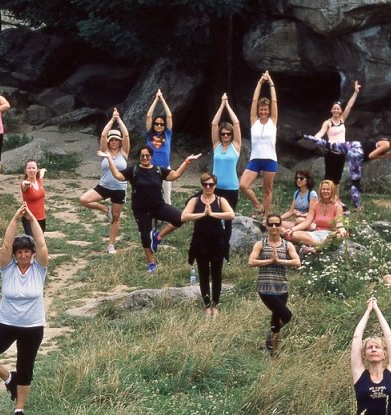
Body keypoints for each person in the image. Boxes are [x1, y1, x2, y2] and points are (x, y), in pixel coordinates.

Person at [0, 203, 48, 415]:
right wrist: (14, 220)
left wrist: (32, 220)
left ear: (32, 254)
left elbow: (41, 244)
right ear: (14, 255)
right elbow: (5, 245)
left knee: (25, 366)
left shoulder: (40, 268)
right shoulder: (7, 268)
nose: (23, 255)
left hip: (32, 327)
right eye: (19, 252)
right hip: (7, 323)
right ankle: (8, 378)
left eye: (27, 252)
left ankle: (19, 408)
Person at [103, 145, 200, 274]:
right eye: (142, 156)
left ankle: (158, 237)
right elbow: (118, 176)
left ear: (151, 157)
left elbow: (175, 175)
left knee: (180, 218)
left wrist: (186, 162)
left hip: (159, 206)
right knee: (145, 237)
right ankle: (152, 264)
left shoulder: (158, 170)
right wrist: (109, 159)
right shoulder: (134, 170)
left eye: (147, 155)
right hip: (141, 210)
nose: (144, 158)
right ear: (139, 157)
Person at [180, 172, 236, 317]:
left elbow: (231, 214)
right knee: (203, 273)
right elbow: (184, 216)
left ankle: (215, 304)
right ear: (202, 185)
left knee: (217, 273)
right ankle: (207, 305)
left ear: (215, 186)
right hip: (200, 240)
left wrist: (213, 214)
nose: (208, 187)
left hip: (217, 240)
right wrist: (202, 215)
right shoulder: (195, 200)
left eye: (211, 184)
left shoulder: (220, 200)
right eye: (205, 184)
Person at [248, 212, 301, 356]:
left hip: (282, 287)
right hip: (265, 287)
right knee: (287, 315)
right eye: (270, 224)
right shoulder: (261, 244)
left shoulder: (287, 244)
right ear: (266, 226)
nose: (273, 227)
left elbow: (297, 262)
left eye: (277, 224)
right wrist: (269, 261)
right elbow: (251, 261)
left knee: (276, 319)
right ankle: (271, 336)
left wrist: (280, 261)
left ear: (280, 226)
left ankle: (273, 352)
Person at [78, 109, 130, 254]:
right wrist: (112, 120)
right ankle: (105, 209)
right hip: (104, 186)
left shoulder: (124, 153)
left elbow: (126, 135)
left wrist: (119, 120)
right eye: (111, 139)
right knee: (84, 199)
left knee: (116, 217)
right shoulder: (104, 151)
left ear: (119, 142)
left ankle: (111, 245)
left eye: (116, 140)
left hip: (119, 188)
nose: (113, 142)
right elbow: (102, 135)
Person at [350, 297, 391, 415]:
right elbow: (356, 338)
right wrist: (368, 311)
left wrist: (377, 310)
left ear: (385, 354)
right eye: (369, 347)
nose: (373, 349)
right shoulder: (359, 374)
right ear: (364, 355)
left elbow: (389, 337)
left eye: (377, 347)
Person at [304, 80, 361, 186]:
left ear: (340, 111)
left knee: (338, 178)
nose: (336, 110)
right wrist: (314, 138)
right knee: (329, 176)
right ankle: (325, 199)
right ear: (331, 110)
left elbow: (349, 105)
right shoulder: (327, 122)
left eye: (338, 109)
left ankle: (336, 200)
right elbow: (321, 133)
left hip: (342, 153)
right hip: (331, 152)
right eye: (334, 108)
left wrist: (356, 92)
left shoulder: (342, 119)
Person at [239, 71, 279, 215]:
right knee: (243, 185)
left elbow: (274, 102)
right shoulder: (254, 121)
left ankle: (266, 216)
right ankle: (258, 206)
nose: (263, 111)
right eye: (261, 109)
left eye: (265, 110)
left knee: (267, 189)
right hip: (255, 159)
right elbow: (254, 101)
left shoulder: (272, 122)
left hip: (270, 159)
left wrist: (271, 83)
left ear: (269, 111)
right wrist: (260, 83)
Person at [210, 94, 244, 242]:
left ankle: (225, 249)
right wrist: (221, 105)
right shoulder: (216, 145)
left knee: (228, 218)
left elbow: (236, 124)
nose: (225, 136)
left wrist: (227, 105)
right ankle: (215, 243)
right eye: (223, 133)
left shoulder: (235, 146)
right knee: (214, 217)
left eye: (228, 134)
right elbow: (214, 124)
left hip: (231, 188)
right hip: (214, 187)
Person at [285, 179, 347, 252]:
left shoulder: (338, 206)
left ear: (332, 191)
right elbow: (307, 222)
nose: (325, 191)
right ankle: (321, 246)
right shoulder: (315, 205)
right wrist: (292, 230)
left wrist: (342, 230)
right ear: (320, 191)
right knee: (294, 234)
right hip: (316, 233)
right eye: (323, 189)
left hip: (330, 234)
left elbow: (339, 223)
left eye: (328, 189)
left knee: (338, 236)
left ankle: (316, 247)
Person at [145, 89, 175, 205]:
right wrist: (155, 100)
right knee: (151, 196)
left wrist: (162, 99)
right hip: (151, 168)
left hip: (165, 169)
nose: (159, 125)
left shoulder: (167, 134)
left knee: (166, 198)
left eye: (161, 124)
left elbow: (169, 116)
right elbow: (148, 116)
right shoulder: (149, 134)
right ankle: (152, 219)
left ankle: (166, 220)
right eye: (156, 123)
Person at [19, 160, 48, 234]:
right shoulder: (24, 184)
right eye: (29, 168)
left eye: (33, 168)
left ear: (37, 170)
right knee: (32, 243)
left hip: (41, 218)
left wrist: (43, 170)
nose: (31, 170)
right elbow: (24, 185)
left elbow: (41, 174)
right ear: (25, 170)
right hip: (29, 219)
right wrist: (27, 183)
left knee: (40, 242)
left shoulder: (38, 180)